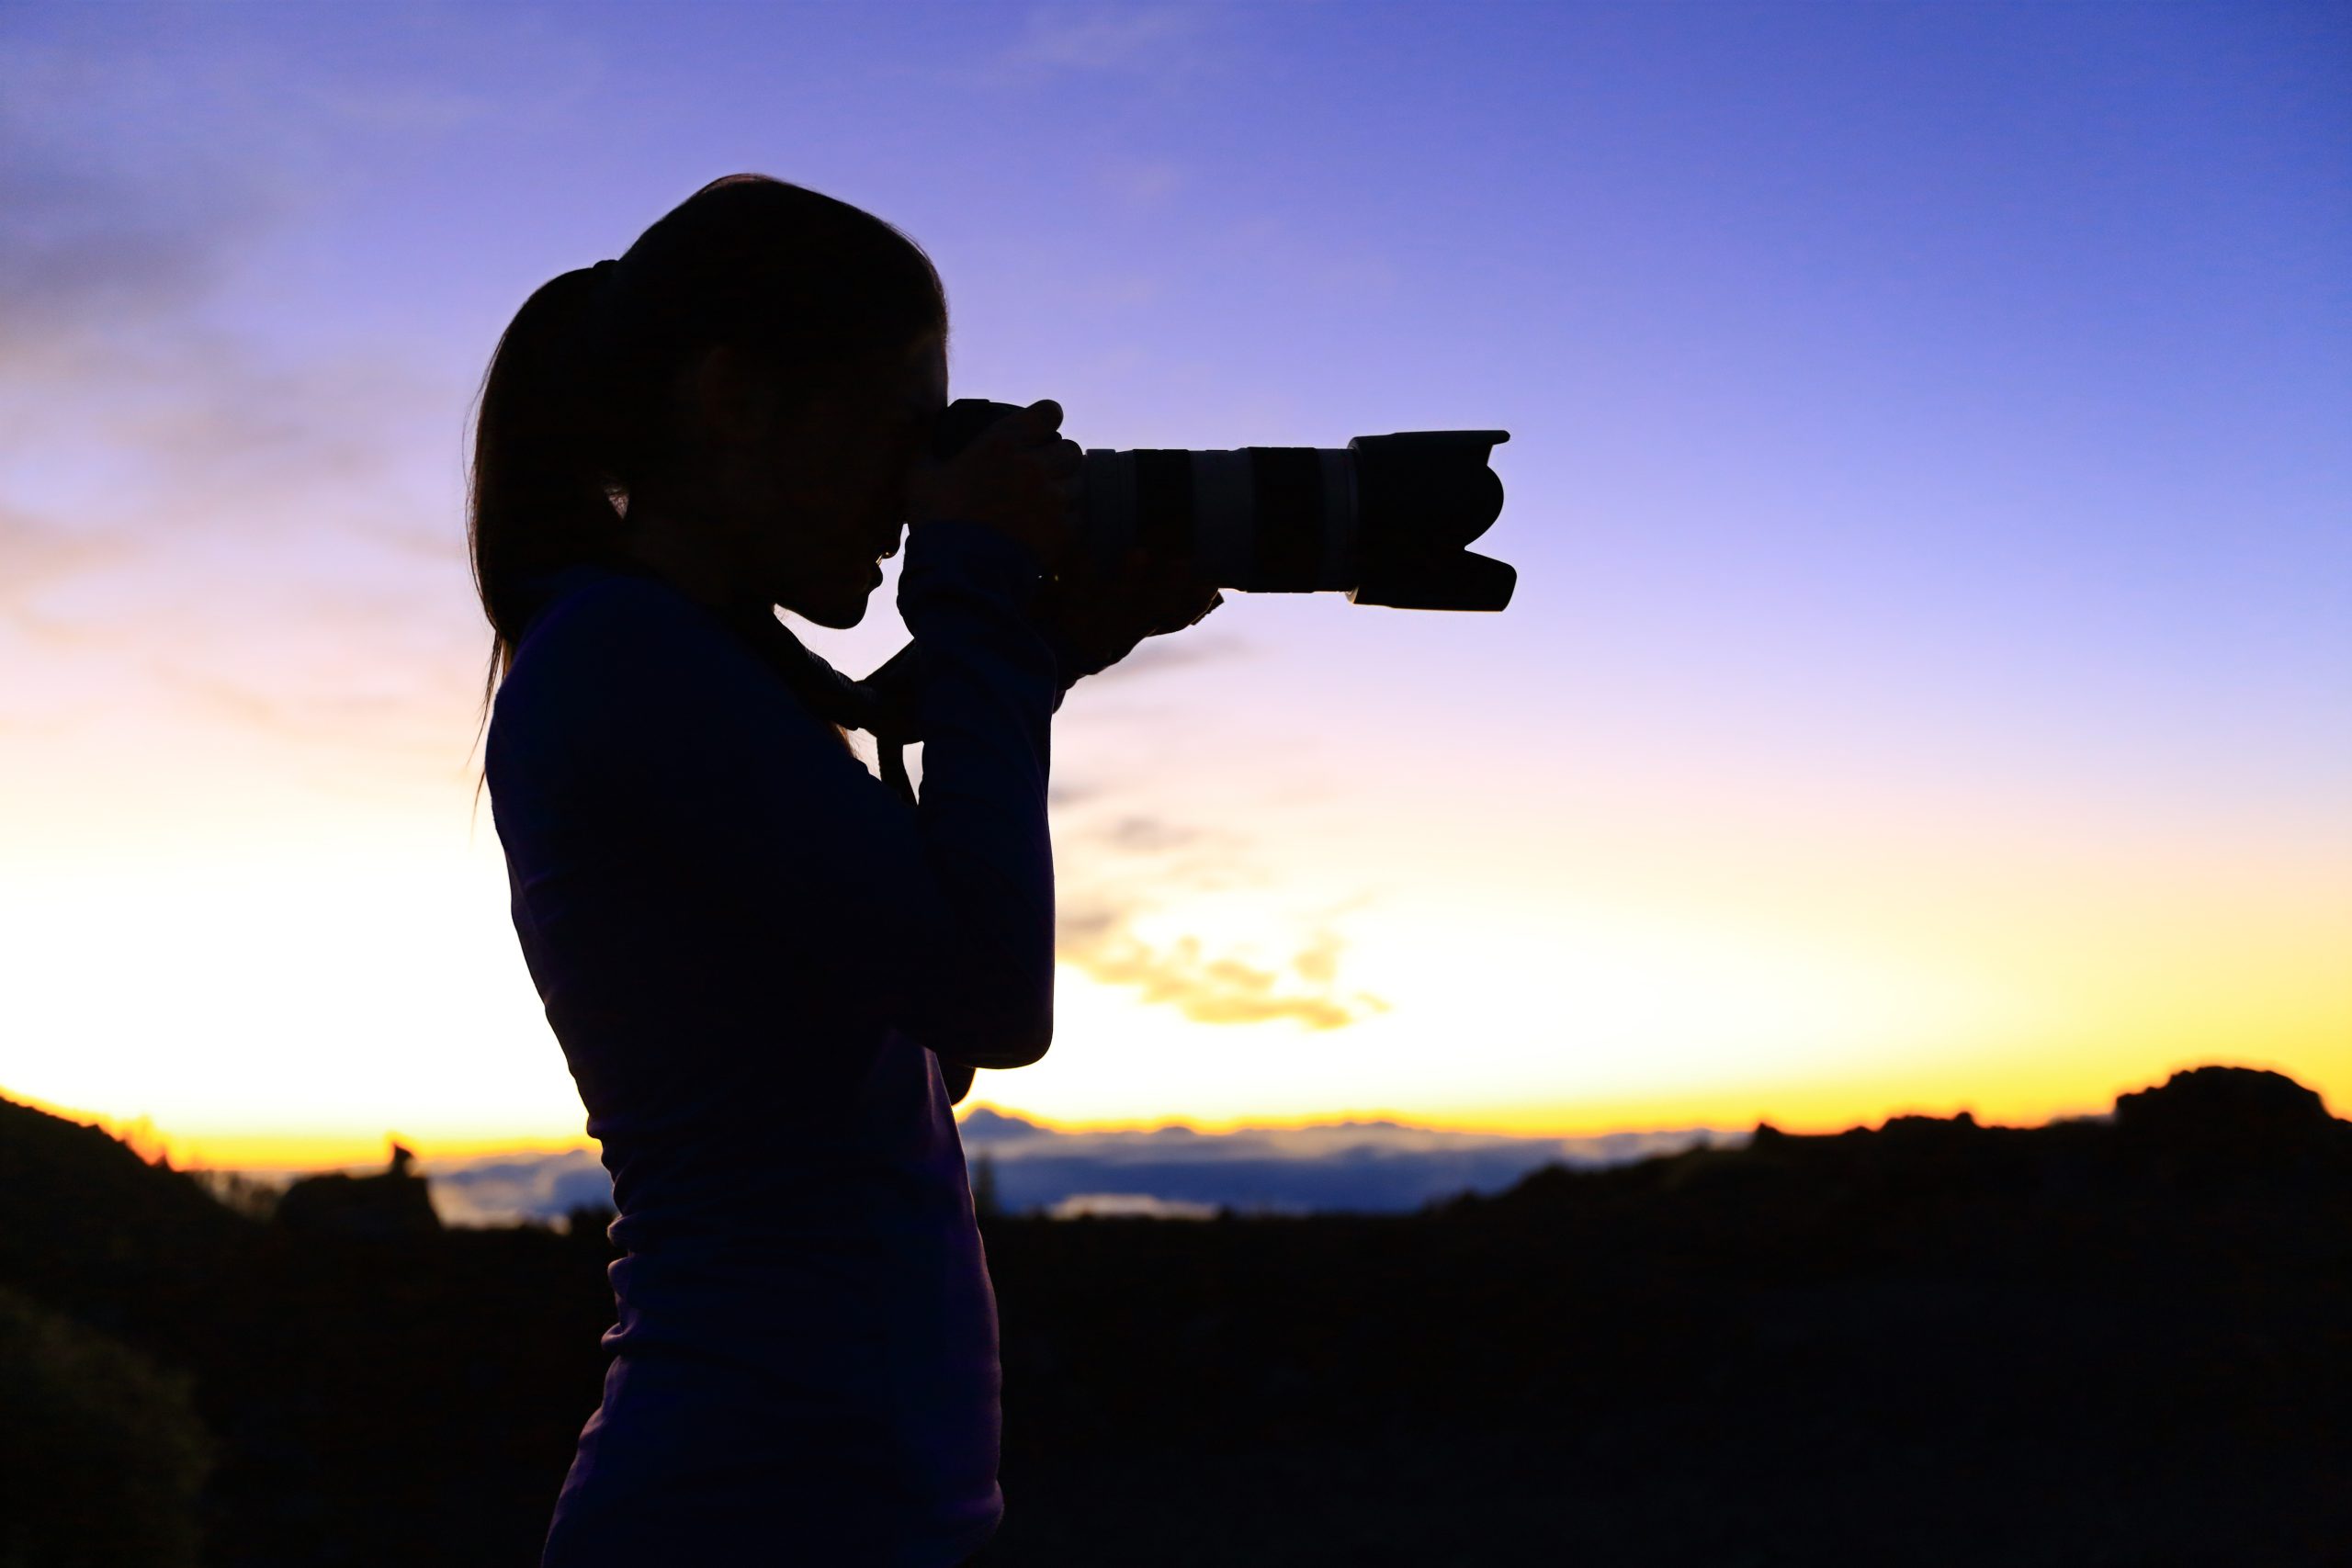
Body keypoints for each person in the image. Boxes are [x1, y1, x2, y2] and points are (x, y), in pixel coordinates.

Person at [469, 175, 1216, 1567]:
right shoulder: (628, 660)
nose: (912, 492)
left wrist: (1029, 663)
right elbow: (997, 997)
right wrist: (982, 609)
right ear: (736, 401)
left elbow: (929, 1042)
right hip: (754, 1505)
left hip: (817, 1500)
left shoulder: (703, 672)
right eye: (899, 435)